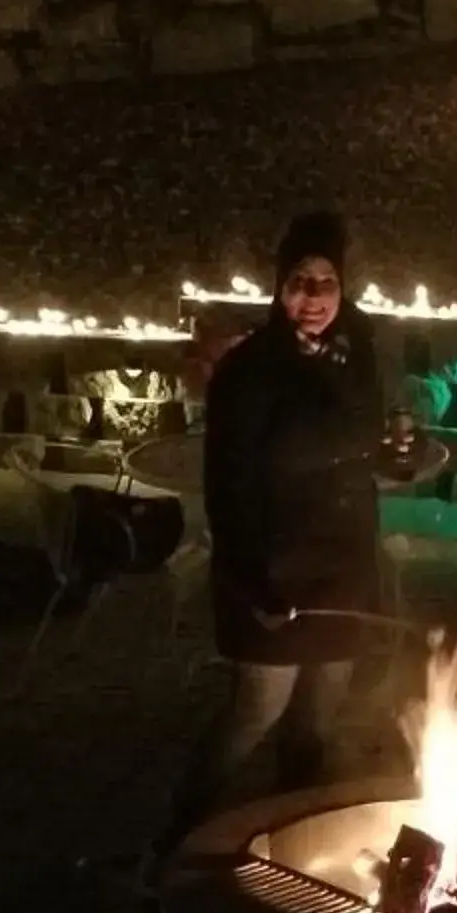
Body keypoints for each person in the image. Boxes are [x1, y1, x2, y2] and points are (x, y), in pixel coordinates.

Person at [152, 212, 386, 874]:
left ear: (345, 289)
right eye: (299, 281)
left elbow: (364, 438)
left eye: (326, 282)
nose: (312, 297)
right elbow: (227, 489)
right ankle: (173, 843)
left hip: (340, 570)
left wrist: (389, 457)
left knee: (316, 726)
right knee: (252, 718)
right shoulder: (249, 371)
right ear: (278, 287)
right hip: (274, 570)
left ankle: (294, 851)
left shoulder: (356, 351)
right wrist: (254, 584)